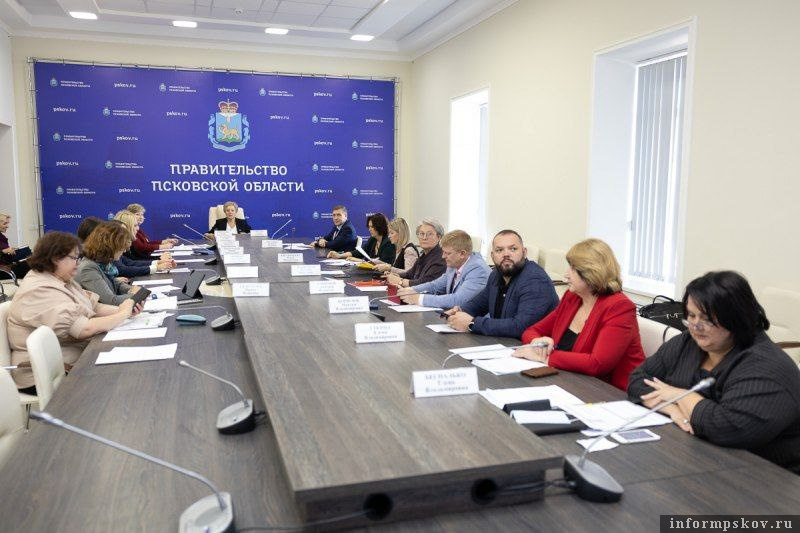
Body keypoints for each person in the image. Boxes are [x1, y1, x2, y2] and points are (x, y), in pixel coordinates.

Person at [628, 271, 800, 474]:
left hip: (767, 476)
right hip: (696, 456)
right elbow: (638, 380)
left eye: (707, 318)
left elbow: (726, 428)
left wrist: (679, 395)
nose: (696, 326)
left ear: (735, 317)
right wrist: (672, 409)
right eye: (691, 315)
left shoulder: (767, 367)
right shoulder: (688, 343)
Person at [6, 231, 141, 392]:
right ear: (55, 258)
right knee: (127, 378)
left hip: (71, 359)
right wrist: (122, 314)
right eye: (74, 258)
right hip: (43, 373)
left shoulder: (60, 278)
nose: (78, 263)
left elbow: (94, 307)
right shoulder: (40, 289)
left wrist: (123, 310)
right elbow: (84, 329)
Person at [514, 238, 644, 390]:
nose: (566, 275)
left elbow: (597, 364)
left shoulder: (619, 307)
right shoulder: (573, 297)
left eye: (572, 269)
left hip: (612, 392)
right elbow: (531, 331)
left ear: (591, 273)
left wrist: (545, 357)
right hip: (569, 381)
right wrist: (538, 342)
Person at [446, 230, 558, 338]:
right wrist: (460, 311)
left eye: (513, 249)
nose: (506, 254)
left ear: (524, 252)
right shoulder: (496, 274)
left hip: (533, 347)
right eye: (499, 250)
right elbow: (479, 304)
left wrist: (472, 323)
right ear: (492, 255)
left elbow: (521, 327)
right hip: (503, 342)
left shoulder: (535, 279)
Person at [397, 230, 489, 309]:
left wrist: (418, 298)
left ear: (462, 254)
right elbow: (435, 285)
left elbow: (458, 300)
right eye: (443, 252)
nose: (443, 256)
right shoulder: (453, 265)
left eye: (447, 253)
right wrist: (412, 290)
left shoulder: (478, 269)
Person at [77, 222, 142, 305]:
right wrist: (138, 295)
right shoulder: (88, 268)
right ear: (111, 246)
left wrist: (131, 289)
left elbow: (114, 283)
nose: (125, 250)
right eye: (122, 246)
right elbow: (111, 301)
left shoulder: (101, 262)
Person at [385, 219, 447, 288]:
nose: (424, 238)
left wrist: (400, 281)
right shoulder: (424, 255)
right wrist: (396, 276)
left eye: (429, 234)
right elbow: (409, 274)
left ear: (438, 237)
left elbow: (425, 284)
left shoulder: (441, 258)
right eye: (421, 234)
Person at [327, 213, 395, 264]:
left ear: (380, 227)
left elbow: (383, 263)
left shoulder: (388, 242)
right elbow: (359, 252)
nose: (369, 229)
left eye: (372, 227)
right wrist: (340, 256)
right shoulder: (373, 239)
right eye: (369, 227)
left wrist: (361, 261)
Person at [0, 213, 31, 279]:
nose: (7, 226)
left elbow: (5, 256)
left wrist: (11, 251)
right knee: (30, 265)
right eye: (5, 224)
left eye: (7, 223)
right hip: (3, 271)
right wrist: (3, 251)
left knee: (32, 261)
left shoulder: (2, 237)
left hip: (7, 266)